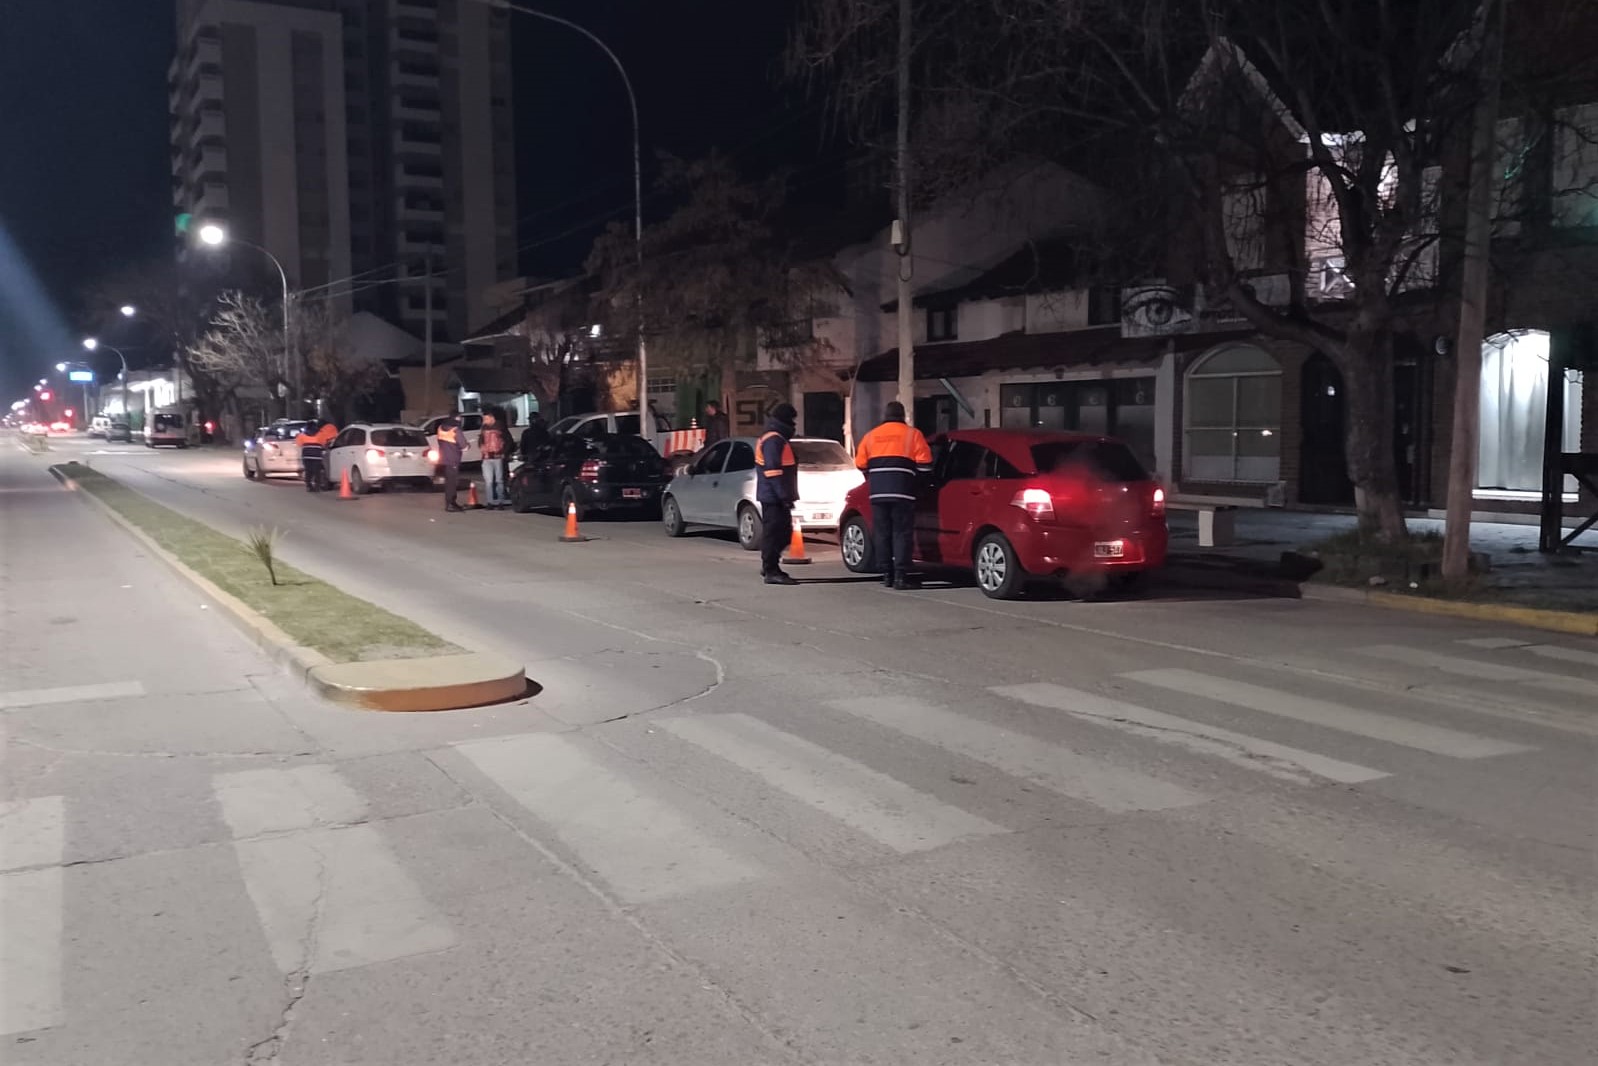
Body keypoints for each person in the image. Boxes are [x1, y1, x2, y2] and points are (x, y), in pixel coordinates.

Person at [854, 401, 934, 589]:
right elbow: (925, 464)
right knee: (901, 533)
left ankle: (886, 574)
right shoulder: (913, 435)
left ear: (885, 415)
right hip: (903, 491)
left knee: (882, 533)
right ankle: (900, 576)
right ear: (903, 416)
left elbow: (860, 463)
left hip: (878, 493)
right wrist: (918, 482)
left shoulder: (871, 436)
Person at [755, 402, 800, 586]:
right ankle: (771, 570)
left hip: (776, 495)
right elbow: (773, 471)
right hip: (774, 497)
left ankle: (769, 565)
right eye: (792, 420)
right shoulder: (774, 440)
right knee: (774, 534)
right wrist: (784, 497)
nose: (794, 424)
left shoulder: (777, 437)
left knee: (782, 533)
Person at [479, 409, 511, 510]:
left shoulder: (500, 427)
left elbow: (508, 441)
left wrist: (504, 452)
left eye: (486, 419)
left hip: (497, 457)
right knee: (488, 481)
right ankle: (490, 502)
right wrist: (482, 448)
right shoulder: (484, 428)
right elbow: (481, 440)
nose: (484, 421)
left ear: (492, 418)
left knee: (499, 480)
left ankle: (500, 501)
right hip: (486, 457)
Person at [295, 419, 337, 492]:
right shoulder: (320, 434)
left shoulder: (302, 435)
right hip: (317, 455)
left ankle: (309, 486)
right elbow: (323, 443)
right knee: (317, 471)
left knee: (308, 471)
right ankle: (317, 486)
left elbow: (299, 443)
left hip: (307, 455)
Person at [435, 414, 464, 512]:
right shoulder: (455, 430)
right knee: (452, 483)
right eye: (459, 418)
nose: (460, 420)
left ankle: (450, 503)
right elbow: (464, 445)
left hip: (444, 459)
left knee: (449, 482)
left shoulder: (440, 428)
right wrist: (467, 446)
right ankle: (451, 504)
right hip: (453, 459)